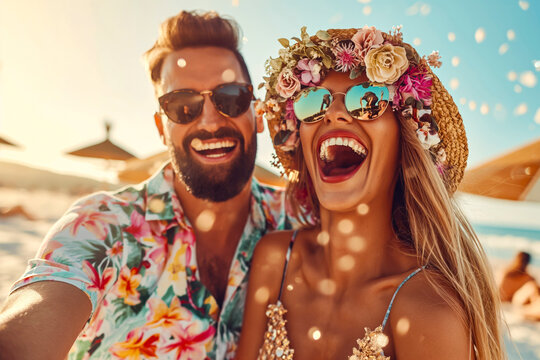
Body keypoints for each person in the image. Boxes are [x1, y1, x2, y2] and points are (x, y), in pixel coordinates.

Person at [0, 10, 297, 360]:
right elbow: (33, 316)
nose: (210, 120)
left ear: (257, 112)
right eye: (182, 104)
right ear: (160, 126)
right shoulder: (104, 225)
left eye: (230, 97)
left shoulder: (298, 218)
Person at [235, 26, 506, 359]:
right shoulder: (276, 259)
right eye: (312, 101)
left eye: (368, 100)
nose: (334, 113)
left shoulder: (430, 312)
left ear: (405, 142)